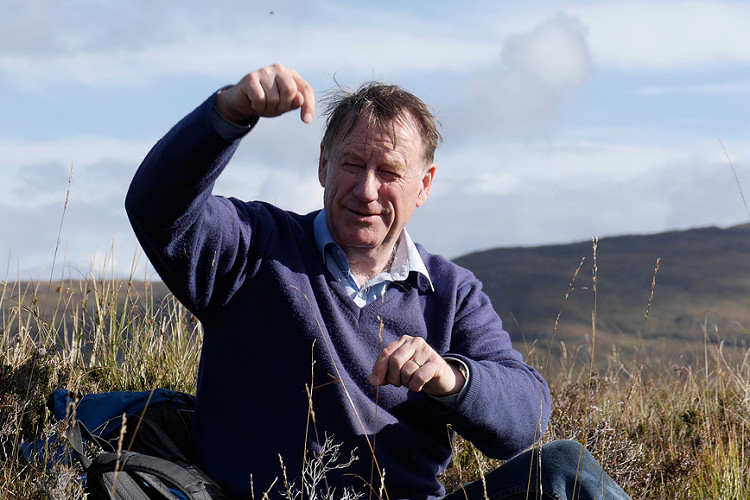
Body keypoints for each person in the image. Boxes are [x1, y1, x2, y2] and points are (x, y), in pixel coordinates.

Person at [126, 63, 630, 500]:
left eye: (389, 171)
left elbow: (525, 419)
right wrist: (228, 113)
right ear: (324, 163)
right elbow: (156, 206)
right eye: (351, 164)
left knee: (565, 470)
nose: (367, 190)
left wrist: (450, 378)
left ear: (424, 185)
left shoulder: (451, 294)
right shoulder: (253, 247)